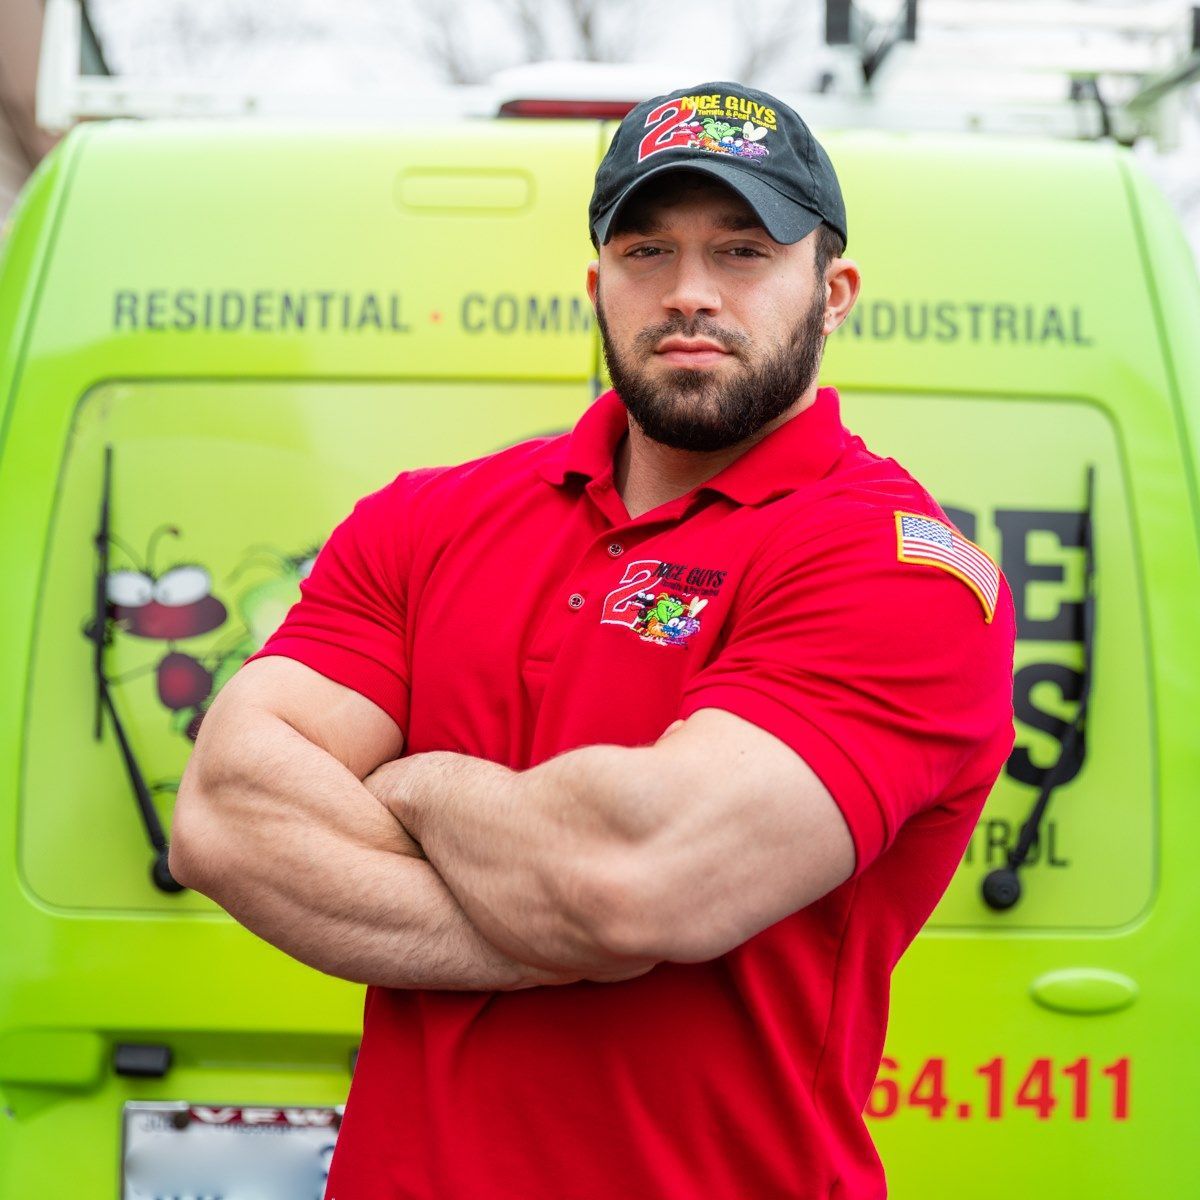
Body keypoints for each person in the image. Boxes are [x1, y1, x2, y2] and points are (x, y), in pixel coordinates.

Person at [171, 81, 1016, 1200]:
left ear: (833, 293)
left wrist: (413, 782)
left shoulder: (904, 570)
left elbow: (635, 879)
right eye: (647, 250)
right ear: (598, 287)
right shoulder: (426, 520)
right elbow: (224, 813)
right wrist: (556, 924)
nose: (690, 291)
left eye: (745, 250)